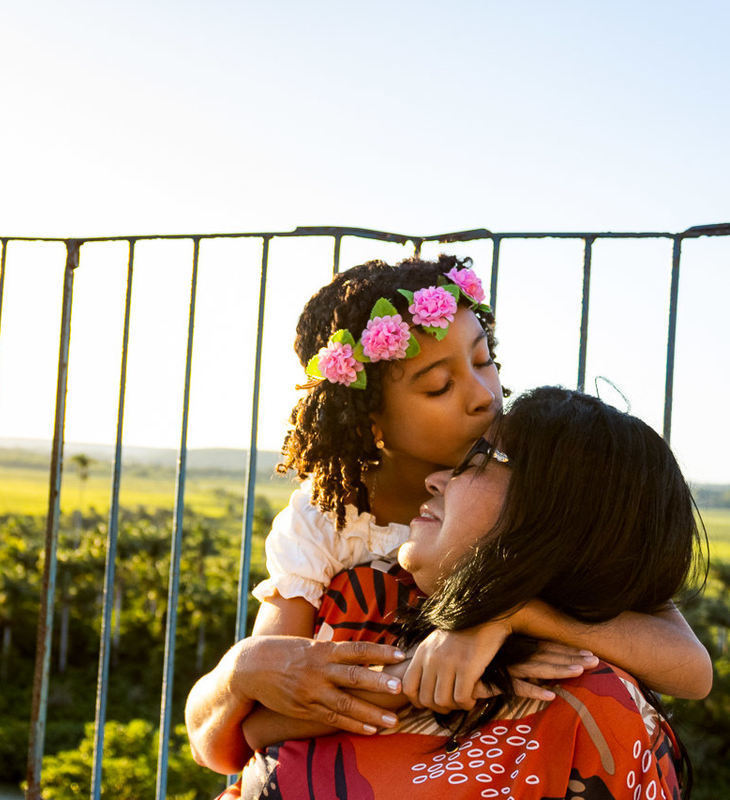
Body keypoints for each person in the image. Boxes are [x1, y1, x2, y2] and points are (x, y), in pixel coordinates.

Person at [185, 256, 711, 775]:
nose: (485, 397)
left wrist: (504, 614)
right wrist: (244, 668)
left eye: (484, 362)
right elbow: (248, 724)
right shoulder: (325, 526)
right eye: (439, 386)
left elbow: (690, 668)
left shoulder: (528, 485)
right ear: (369, 420)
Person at [230, 386, 703, 798]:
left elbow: (694, 670)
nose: (434, 478)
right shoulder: (365, 592)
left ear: (558, 511)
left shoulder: (590, 711)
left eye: (474, 461)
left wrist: (506, 613)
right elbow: (247, 734)